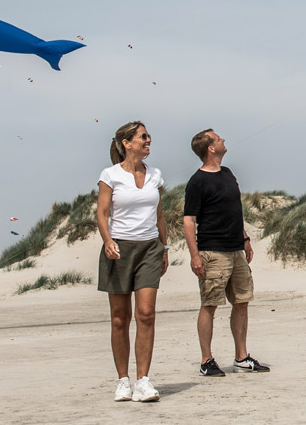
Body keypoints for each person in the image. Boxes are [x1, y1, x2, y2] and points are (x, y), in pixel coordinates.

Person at [184, 129, 270, 377]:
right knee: (210, 304)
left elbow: (236, 210)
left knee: (242, 300)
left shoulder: (228, 174)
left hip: (236, 249)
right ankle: (206, 360)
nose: (223, 139)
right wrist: (194, 255)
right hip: (212, 250)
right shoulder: (197, 181)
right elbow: (189, 220)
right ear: (210, 148)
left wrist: (244, 238)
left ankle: (241, 357)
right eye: (218, 138)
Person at [97, 120, 168, 403]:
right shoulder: (111, 175)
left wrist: (165, 248)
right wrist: (108, 241)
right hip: (119, 249)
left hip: (150, 247)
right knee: (119, 319)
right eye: (143, 137)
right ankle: (123, 380)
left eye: (148, 136)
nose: (148, 140)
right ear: (127, 143)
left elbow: (160, 216)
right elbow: (102, 213)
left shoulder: (156, 175)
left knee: (146, 314)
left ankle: (143, 381)